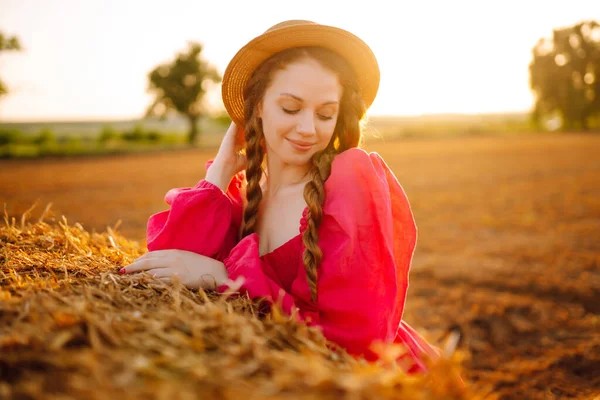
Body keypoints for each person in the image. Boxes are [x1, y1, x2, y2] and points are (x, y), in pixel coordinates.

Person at [121, 20, 440, 373]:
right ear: (257, 106)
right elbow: (172, 261)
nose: (308, 128)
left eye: (325, 114)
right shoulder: (242, 192)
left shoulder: (348, 181)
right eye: (290, 108)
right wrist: (222, 169)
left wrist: (227, 279)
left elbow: (357, 339)